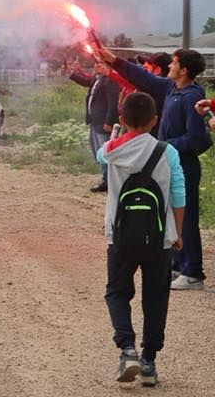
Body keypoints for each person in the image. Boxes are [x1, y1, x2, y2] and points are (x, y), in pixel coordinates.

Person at [95, 46, 209, 291]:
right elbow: (144, 77)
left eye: (174, 63)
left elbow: (197, 139)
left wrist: (164, 146)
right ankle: (178, 265)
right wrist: (113, 60)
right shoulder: (172, 89)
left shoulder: (191, 97)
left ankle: (193, 272)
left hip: (184, 164)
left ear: (184, 70)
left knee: (186, 218)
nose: (170, 66)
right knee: (168, 211)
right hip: (168, 161)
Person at [97, 92, 184, 386]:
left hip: (120, 237)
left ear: (122, 119)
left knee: (117, 292)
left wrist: (120, 132)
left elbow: (101, 154)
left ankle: (127, 349)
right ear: (155, 120)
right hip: (159, 238)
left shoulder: (110, 150)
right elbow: (179, 194)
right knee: (156, 296)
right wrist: (177, 233)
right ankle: (148, 362)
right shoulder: (167, 152)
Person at [69, 59, 120, 192]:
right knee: (96, 150)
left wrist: (109, 122)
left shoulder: (110, 81)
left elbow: (113, 103)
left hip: (103, 122)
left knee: (104, 153)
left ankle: (108, 181)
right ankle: (105, 178)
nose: (96, 66)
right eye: (96, 64)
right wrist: (73, 74)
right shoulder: (97, 79)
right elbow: (86, 82)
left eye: (100, 64)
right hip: (94, 121)